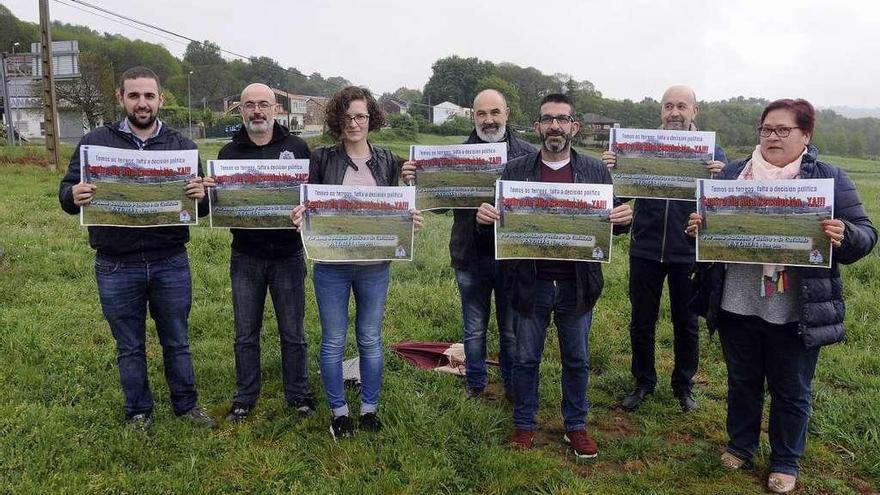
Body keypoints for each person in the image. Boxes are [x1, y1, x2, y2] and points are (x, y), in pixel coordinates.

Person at [686, 99, 876, 493]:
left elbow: (865, 234)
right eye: (766, 129)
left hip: (795, 308)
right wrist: (700, 227)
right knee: (742, 381)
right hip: (737, 301)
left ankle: (786, 460)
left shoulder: (829, 178)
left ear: (805, 135)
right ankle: (741, 445)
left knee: (792, 389)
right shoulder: (735, 173)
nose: (772, 137)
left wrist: (844, 235)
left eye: (782, 130)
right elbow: (711, 230)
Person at [476, 94, 633, 460]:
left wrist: (626, 219)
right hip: (530, 283)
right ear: (537, 127)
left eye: (562, 120)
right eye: (548, 120)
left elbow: (616, 223)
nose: (555, 127)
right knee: (526, 359)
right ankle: (525, 423)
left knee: (576, 359)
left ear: (574, 127)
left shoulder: (595, 171)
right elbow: (497, 229)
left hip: (577, 285)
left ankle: (575, 426)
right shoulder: (515, 171)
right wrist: (483, 220)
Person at [58, 66, 216, 430]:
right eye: (134, 95)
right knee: (129, 346)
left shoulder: (182, 146)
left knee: (177, 340)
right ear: (121, 98)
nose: (142, 103)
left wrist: (202, 196)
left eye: (148, 96)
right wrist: (73, 194)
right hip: (116, 264)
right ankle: (139, 411)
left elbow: (202, 206)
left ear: (160, 99)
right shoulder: (95, 142)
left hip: (170, 260)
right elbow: (66, 194)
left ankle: (186, 406)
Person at [291, 86, 423, 439]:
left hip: (375, 266)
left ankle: (369, 410)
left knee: (370, 338)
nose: (354, 123)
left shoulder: (388, 160)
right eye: (348, 116)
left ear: (371, 119)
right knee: (333, 339)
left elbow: (398, 207)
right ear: (338, 119)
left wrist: (408, 220)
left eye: (361, 116)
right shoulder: (321, 158)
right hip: (331, 265)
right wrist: (302, 212)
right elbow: (311, 202)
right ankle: (339, 412)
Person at [402, 89, 535, 400]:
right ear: (473, 116)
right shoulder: (454, 156)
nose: (488, 120)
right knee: (474, 329)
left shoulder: (529, 155)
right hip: (470, 256)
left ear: (507, 114)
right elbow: (439, 206)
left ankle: (512, 386)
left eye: (494, 112)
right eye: (481, 114)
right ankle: (475, 384)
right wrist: (415, 180)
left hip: (513, 258)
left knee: (511, 331)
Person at [602, 85, 728, 412]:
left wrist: (720, 178)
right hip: (644, 248)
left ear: (694, 112)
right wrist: (613, 170)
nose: (675, 112)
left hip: (687, 251)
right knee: (641, 321)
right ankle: (643, 382)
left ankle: (683, 387)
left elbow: (728, 204)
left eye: (682, 106)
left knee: (686, 323)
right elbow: (616, 198)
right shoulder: (640, 147)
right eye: (668, 106)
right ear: (660, 111)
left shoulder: (712, 150)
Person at [214, 83, 315, 422]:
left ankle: (299, 396)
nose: (256, 111)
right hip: (245, 255)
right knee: (245, 333)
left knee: (293, 332)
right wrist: (213, 194)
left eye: (263, 104)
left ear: (276, 109)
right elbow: (218, 204)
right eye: (249, 105)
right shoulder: (228, 154)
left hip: (288, 255)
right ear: (239, 110)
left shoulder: (298, 147)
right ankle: (244, 398)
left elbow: (312, 198)